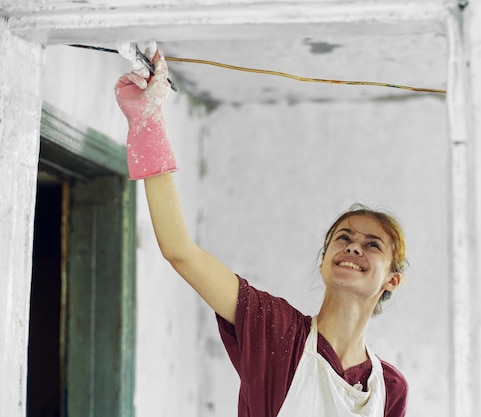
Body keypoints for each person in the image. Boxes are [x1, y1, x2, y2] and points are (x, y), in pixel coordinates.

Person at [115, 48, 409, 417]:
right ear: (323, 261)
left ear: (392, 280)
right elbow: (180, 251)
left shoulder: (390, 389)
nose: (353, 248)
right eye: (344, 238)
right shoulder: (276, 330)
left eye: (372, 244)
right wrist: (148, 123)